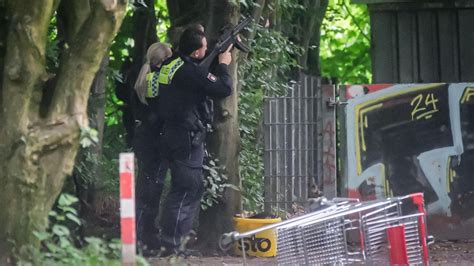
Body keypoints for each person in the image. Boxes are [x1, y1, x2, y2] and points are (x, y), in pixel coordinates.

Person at [156, 26, 233, 256]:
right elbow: (224, 88)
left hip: (169, 133)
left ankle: (170, 242)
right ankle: (174, 246)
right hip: (186, 138)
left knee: (181, 189)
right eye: (205, 48)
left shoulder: (170, 65)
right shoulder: (191, 72)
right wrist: (223, 64)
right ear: (198, 52)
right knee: (188, 188)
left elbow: (190, 86)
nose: (206, 50)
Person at [132, 42, 172, 254]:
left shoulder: (140, 78)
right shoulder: (156, 81)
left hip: (143, 141)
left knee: (144, 188)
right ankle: (144, 238)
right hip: (155, 142)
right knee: (151, 191)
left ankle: (142, 236)